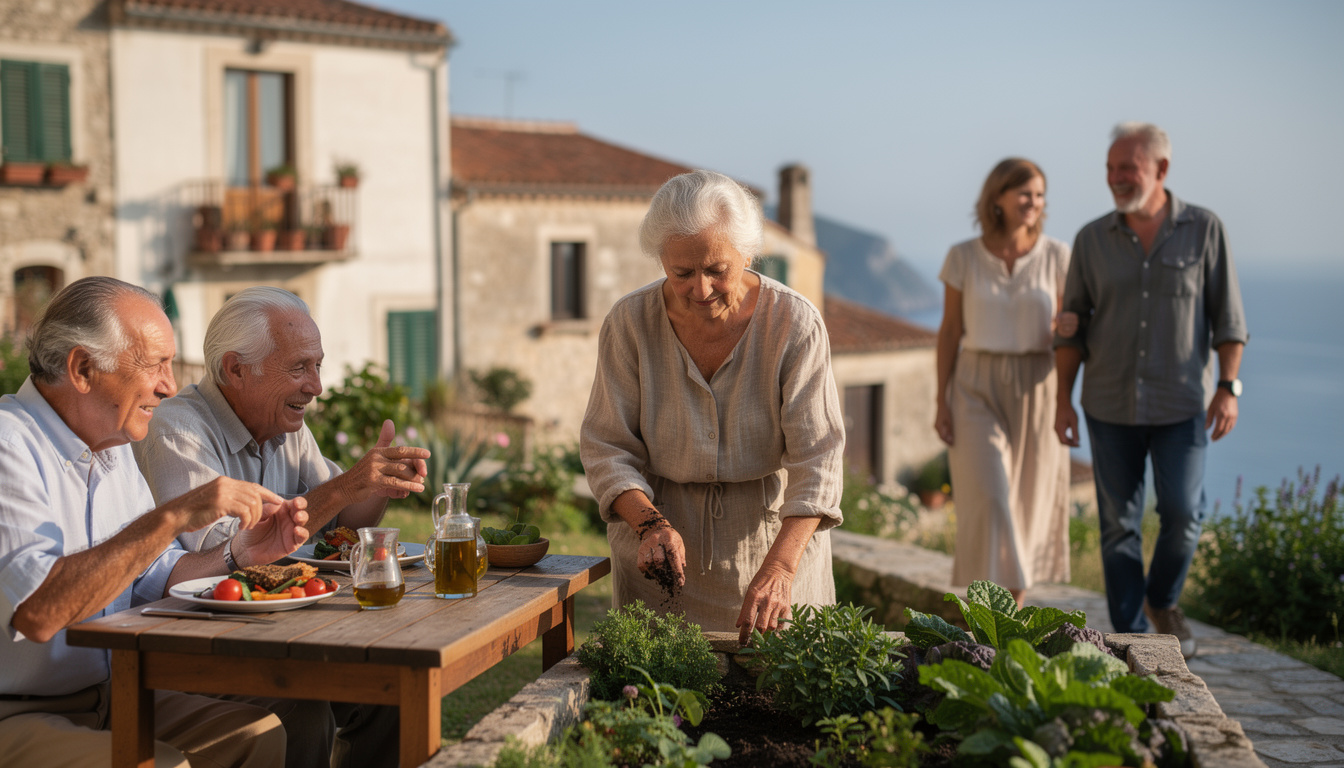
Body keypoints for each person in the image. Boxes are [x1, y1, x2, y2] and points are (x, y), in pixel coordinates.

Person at [0, 276, 310, 767]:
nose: (168, 385)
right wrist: (174, 515)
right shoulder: (9, 446)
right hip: (16, 714)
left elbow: (153, 574)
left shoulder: (112, 443)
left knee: (258, 734)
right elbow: (40, 612)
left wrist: (240, 553)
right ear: (82, 368)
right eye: (154, 365)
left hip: (114, 693)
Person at [134, 286, 429, 768]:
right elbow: (227, 559)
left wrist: (376, 482)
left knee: (391, 686)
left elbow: (343, 520)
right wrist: (345, 486)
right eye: (299, 368)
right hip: (198, 646)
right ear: (235, 369)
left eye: (318, 365)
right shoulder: (177, 429)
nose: (316, 385)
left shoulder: (285, 423)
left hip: (282, 633)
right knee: (302, 714)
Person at [581, 169, 845, 646]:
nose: (700, 290)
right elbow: (607, 447)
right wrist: (650, 525)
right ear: (662, 259)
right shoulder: (629, 323)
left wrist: (782, 569)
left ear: (748, 253)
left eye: (717, 270)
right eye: (681, 273)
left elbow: (819, 460)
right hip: (657, 560)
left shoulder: (795, 323)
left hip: (770, 553)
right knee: (655, 688)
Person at [1054, 122, 1248, 659]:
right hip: (1108, 403)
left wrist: (1228, 387)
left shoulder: (1204, 230)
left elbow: (1229, 319)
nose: (1116, 178)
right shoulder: (1091, 239)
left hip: (1181, 404)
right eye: (1110, 168)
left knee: (1184, 514)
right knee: (1118, 526)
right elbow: (1071, 327)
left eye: (1128, 168)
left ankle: (1162, 600)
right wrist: (1062, 399)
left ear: (1161, 169)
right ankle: (1133, 636)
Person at [935, 158, 1073, 608]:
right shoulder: (963, 256)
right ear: (998, 197)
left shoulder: (1057, 256)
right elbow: (949, 330)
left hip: (1038, 384)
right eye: (1024, 193)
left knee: (1028, 502)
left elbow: (1070, 330)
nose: (1034, 202)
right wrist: (941, 400)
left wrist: (1066, 395)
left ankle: (1006, 613)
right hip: (975, 384)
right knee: (990, 496)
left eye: (1040, 194)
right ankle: (999, 610)